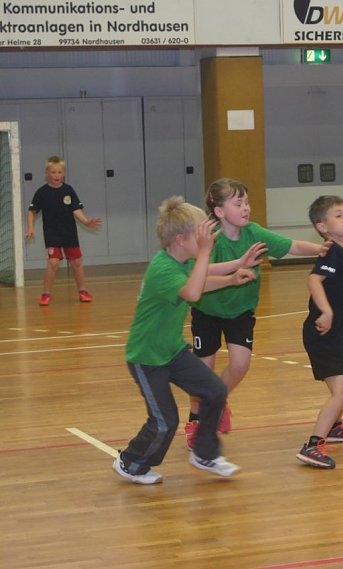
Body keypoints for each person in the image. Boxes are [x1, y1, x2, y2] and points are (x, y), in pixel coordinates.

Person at [113, 196, 259, 484]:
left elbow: (201, 278)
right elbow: (193, 293)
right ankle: (131, 462)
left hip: (172, 351)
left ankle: (204, 453)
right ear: (180, 239)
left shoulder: (179, 262)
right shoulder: (163, 269)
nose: (208, 241)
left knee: (216, 390)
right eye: (201, 236)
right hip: (147, 358)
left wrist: (230, 277)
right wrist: (206, 253)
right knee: (165, 422)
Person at [184, 178, 331, 450]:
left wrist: (321, 249)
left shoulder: (255, 233)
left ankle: (215, 403)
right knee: (202, 375)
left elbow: (292, 246)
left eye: (247, 203)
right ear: (219, 211)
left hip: (240, 311)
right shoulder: (209, 240)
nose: (246, 208)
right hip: (208, 311)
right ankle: (196, 419)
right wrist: (235, 270)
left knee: (240, 365)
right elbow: (199, 277)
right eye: (238, 204)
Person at [296, 195, 343, 470]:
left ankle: (335, 426)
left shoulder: (341, 254)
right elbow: (314, 280)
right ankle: (313, 445)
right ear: (322, 227)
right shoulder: (331, 254)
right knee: (340, 390)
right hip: (324, 334)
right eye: (338, 215)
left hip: (339, 336)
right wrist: (326, 311)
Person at [25, 156, 102, 306]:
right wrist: (30, 227)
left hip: (69, 232)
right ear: (47, 173)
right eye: (53, 172)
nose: (56, 175)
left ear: (64, 173)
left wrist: (86, 221)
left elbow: (76, 209)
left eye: (59, 172)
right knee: (53, 262)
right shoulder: (42, 192)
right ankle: (46, 294)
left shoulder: (68, 190)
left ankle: (83, 291)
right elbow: (31, 211)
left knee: (76, 262)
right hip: (52, 233)